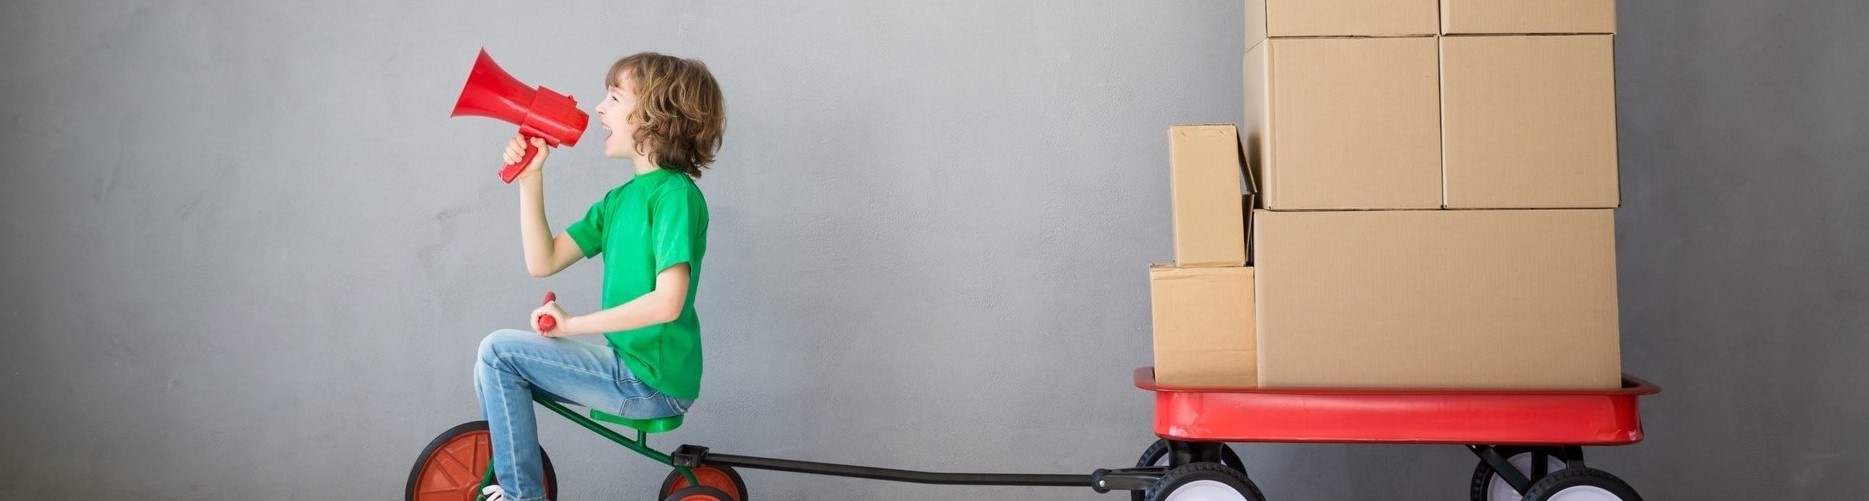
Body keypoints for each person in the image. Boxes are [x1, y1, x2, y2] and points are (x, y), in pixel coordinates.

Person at [473, 52, 725, 501]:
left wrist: (572, 326)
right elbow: (543, 261)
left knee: (497, 353)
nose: (598, 108)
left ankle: (521, 496)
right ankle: (520, 487)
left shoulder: (674, 198)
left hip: (650, 380)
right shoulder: (619, 201)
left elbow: (668, 302)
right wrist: (532, 178)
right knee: (494, 363)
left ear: (655, 116)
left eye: (613, 96)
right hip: (631, 368)